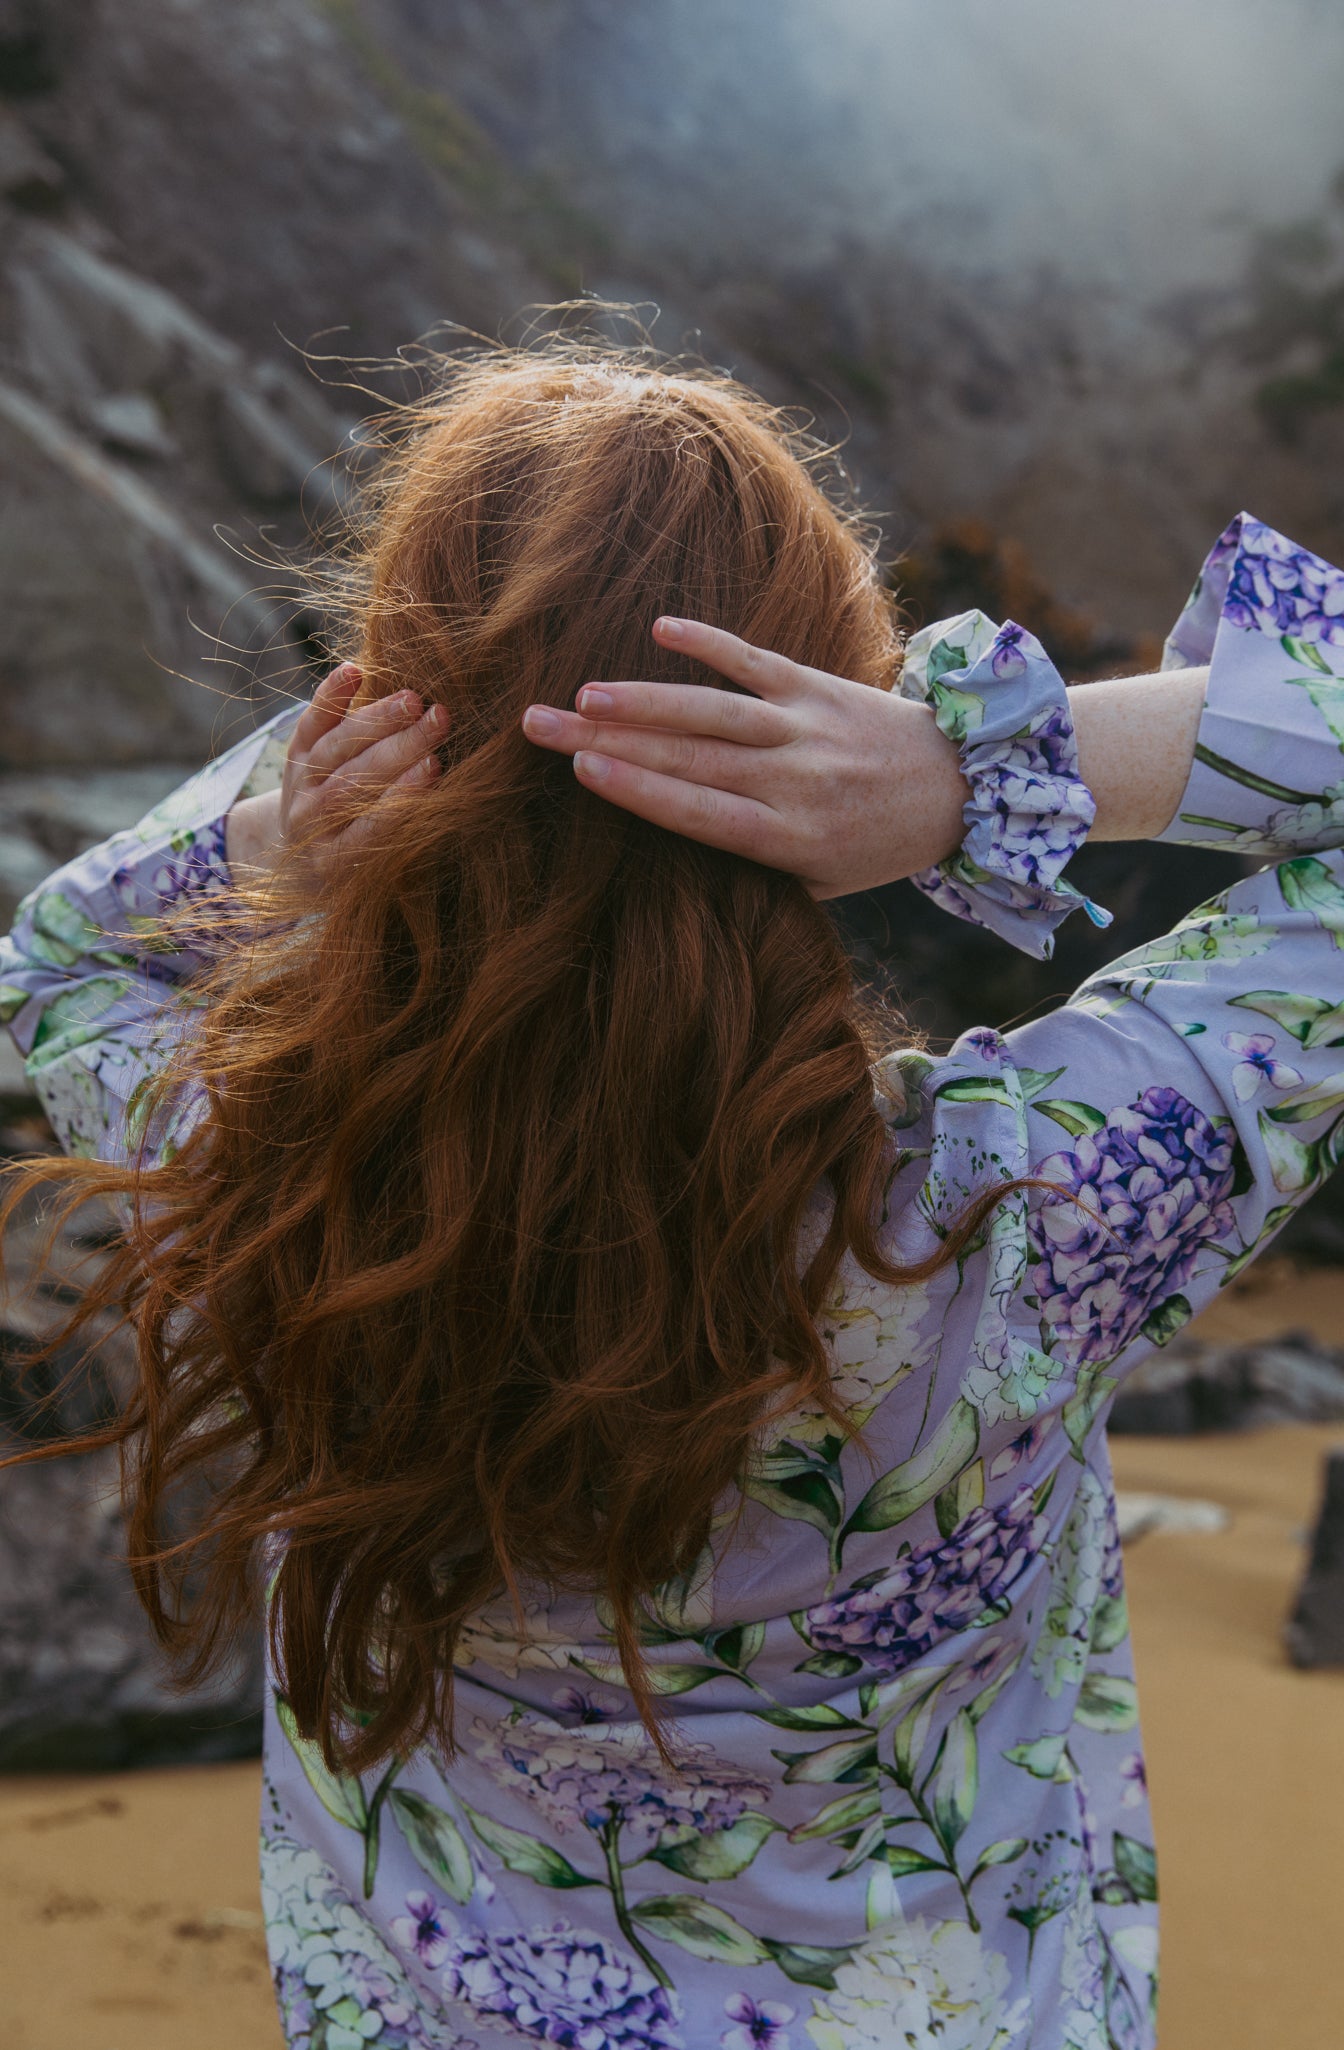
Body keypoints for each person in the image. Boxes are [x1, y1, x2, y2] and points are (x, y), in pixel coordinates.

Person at [2, 346, 1342, 2050]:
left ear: (398, 738)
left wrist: (283, 846)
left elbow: (62, 964)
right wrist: (978, 772)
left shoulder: (276, 1194)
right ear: (822, 743)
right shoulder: (1016, 1226)